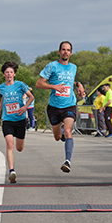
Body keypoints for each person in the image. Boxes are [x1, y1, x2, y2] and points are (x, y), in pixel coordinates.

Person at [35, 41, 85, 173]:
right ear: (59, 51)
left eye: (68, 50)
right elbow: (39, 84)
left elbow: (70, 81)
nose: (65, 52)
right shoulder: (52, 66)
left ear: (71, 53)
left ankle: (67, 161)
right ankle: (62, 134)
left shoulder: (73, 67)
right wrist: (54, 87)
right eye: (63, 49)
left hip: (69, 104)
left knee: (68, 131)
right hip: (54, 106)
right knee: (57, 137)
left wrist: (78, 84)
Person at [0, 62, 34, 183]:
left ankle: (12, 170)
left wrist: (25, 107)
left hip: (20, 119)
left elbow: (31, 97)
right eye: (7, 72)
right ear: (3, 75)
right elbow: (3, 98)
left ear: (14, 74)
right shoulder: (1, 87)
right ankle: (12, 171)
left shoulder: (20, 85)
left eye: (11, 72)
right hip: (7, 120)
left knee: (19, 148)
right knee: (9, 145)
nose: (9, 74)